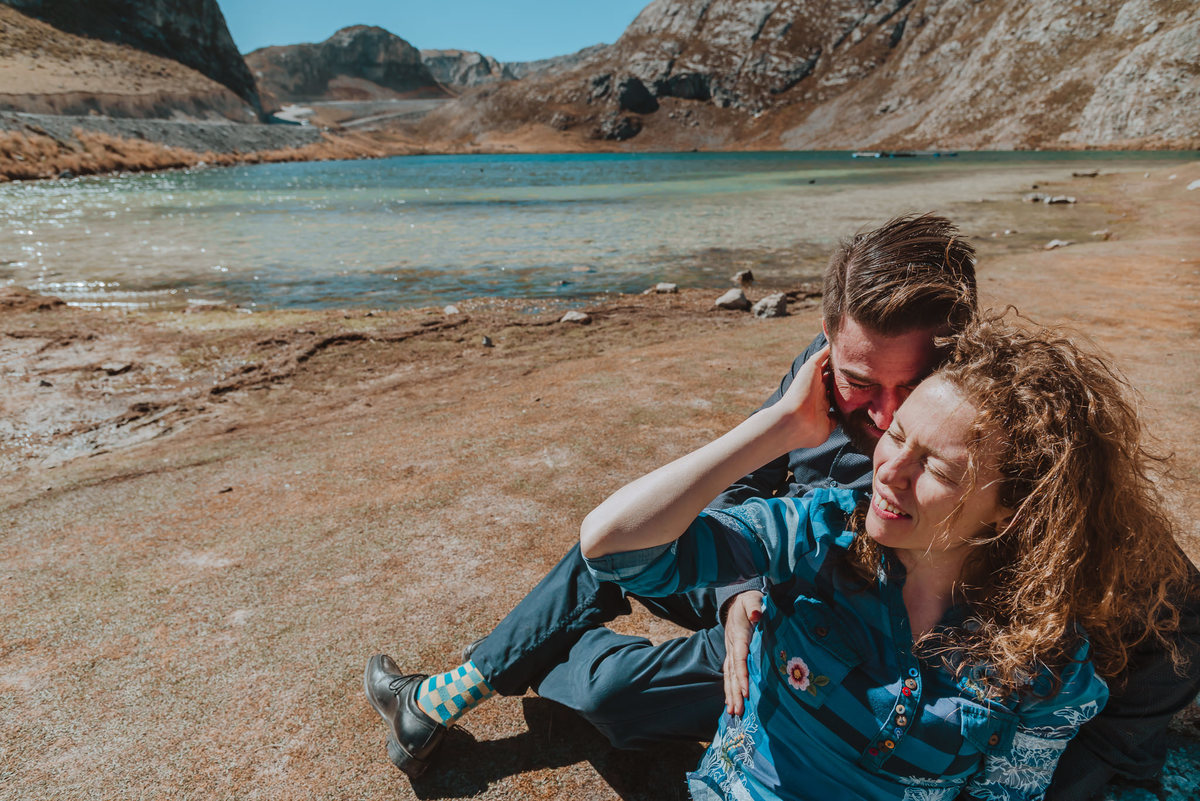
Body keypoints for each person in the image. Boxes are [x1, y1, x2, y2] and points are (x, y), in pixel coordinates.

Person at [363, 214, 1199, 796]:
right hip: (783, 584)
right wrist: (739, 593)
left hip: (851, 638)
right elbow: (730, 500)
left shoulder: (1007, 437)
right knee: (630, 536)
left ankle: (534, 655)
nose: (881, 426)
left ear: (957, 352)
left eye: (910, 393)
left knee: (613, 705)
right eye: (859, 385)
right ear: (830, 337)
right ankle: (453, 688)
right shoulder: (821, 379)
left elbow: (1182, 617)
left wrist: (1098, 764)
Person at [580, 315, 1194, 800]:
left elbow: (1007, 792)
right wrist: (776, 429)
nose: (889, 472)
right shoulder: (814, 533)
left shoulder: (1044, 657)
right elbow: (614, 548)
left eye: (936, 466)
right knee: (609, 696)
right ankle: (560, 651)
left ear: (1013, 506)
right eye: (897, 436)